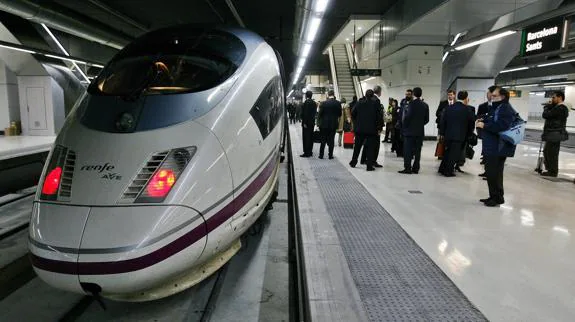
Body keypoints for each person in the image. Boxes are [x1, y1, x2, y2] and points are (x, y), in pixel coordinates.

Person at [475, 87, 516, 207]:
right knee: (493, 173)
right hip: (492, 146)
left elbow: (501, 126)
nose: (491, 97)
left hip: (497, 147)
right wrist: (484, 120)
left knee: (494, 173)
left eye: (494, 96)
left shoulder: (505, 109)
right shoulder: (498, 108)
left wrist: (484, 125)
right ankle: (495, 196)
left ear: (502, 97)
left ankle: (496, 197)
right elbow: (493, 120)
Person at [438, 90, 475, 177]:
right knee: (454, 154)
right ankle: (448, 171)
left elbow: (443, 121)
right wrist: (469, 134)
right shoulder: (467, 110)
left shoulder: (449, 108)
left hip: (448, 134)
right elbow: (471, 123)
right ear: (466, 98)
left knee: (447, 152)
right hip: (460, 136)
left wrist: (442, 133)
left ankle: (442, 168)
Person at [349, 89, 383, 171]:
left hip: (360, 129)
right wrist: (379, 128)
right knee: (370, 148)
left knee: (357, 147)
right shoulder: (376, 105)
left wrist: (356, 122)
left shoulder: (359, 103)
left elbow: (353, 113)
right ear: (372, 95)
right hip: (372, 130)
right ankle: (369, 166)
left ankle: (353, 162)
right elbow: (379, 117)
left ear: (365, 95)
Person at [399, 87, 429, 174]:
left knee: (407, 150)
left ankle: (407, 168)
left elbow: (407, 117)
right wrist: (419, 125)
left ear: (413, 94)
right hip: (420, 132)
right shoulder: (425, 105)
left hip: (409, 132)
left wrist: (405, 126)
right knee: (418, 151)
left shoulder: (411, 104)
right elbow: (427, 119)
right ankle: (416, 168)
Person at [541, 91, 569, 177]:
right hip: (552, 133)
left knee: (552, 152)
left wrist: (546, 107)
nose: (552, 99)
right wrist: (550, 106)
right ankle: (550, 169)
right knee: (547, 151)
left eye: (553, 97)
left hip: (555, 134)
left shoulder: (561, 108)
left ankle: (553, 171)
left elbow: (546, 115)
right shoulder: (557, 107)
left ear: (560, 97)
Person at [360, 85, 384, 167]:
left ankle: (363, 159)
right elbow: (378, 116)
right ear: (380, 92)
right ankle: (373, 161)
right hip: (374, 127)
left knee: (366, 143)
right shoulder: (376, 100)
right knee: (375, 145)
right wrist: (379, 127)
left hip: (366, 126)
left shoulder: (365, 100)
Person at [477, 85, 497, 177]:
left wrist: (485, 121)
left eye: (488, 93)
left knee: (492, 155)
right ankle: (487, 171)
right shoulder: (483, 106)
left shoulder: (499, 106)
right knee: (487, 151)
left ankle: (490, 173)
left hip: (493, 133)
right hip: (485, 132)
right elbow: (479, 116)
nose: (487, 95)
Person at [317, 90, 342, 159]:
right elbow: (340, 114)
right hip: (333, 125)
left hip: (324, 125)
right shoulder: (338, 103)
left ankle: (321, 155)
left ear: (328, 95)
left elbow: (320, 114)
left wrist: (319, 123)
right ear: (333, 95)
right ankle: (330, 155)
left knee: (323, 140)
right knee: (331, 140)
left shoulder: (323, 103)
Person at [393, 89, 412, 157]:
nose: (407, 96)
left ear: (412, 95)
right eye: (406, 94)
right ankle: (400, 152)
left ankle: (408, 153)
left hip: (409, 125)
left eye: (409, 94)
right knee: (400, 139)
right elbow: (400, 112)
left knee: (408, 141)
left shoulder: (413, 103)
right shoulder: (403, 102)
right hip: (401, 124)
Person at [300, 91, 317, 158]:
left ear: (306, 96)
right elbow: (314, 113)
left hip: (306, 124)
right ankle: (310, 151)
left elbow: (305, 114)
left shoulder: (306, 103)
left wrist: (304, 122)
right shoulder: (314, 103)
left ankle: (306, 153)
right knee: (311, 137)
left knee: (306, 137)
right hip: (312, 123)